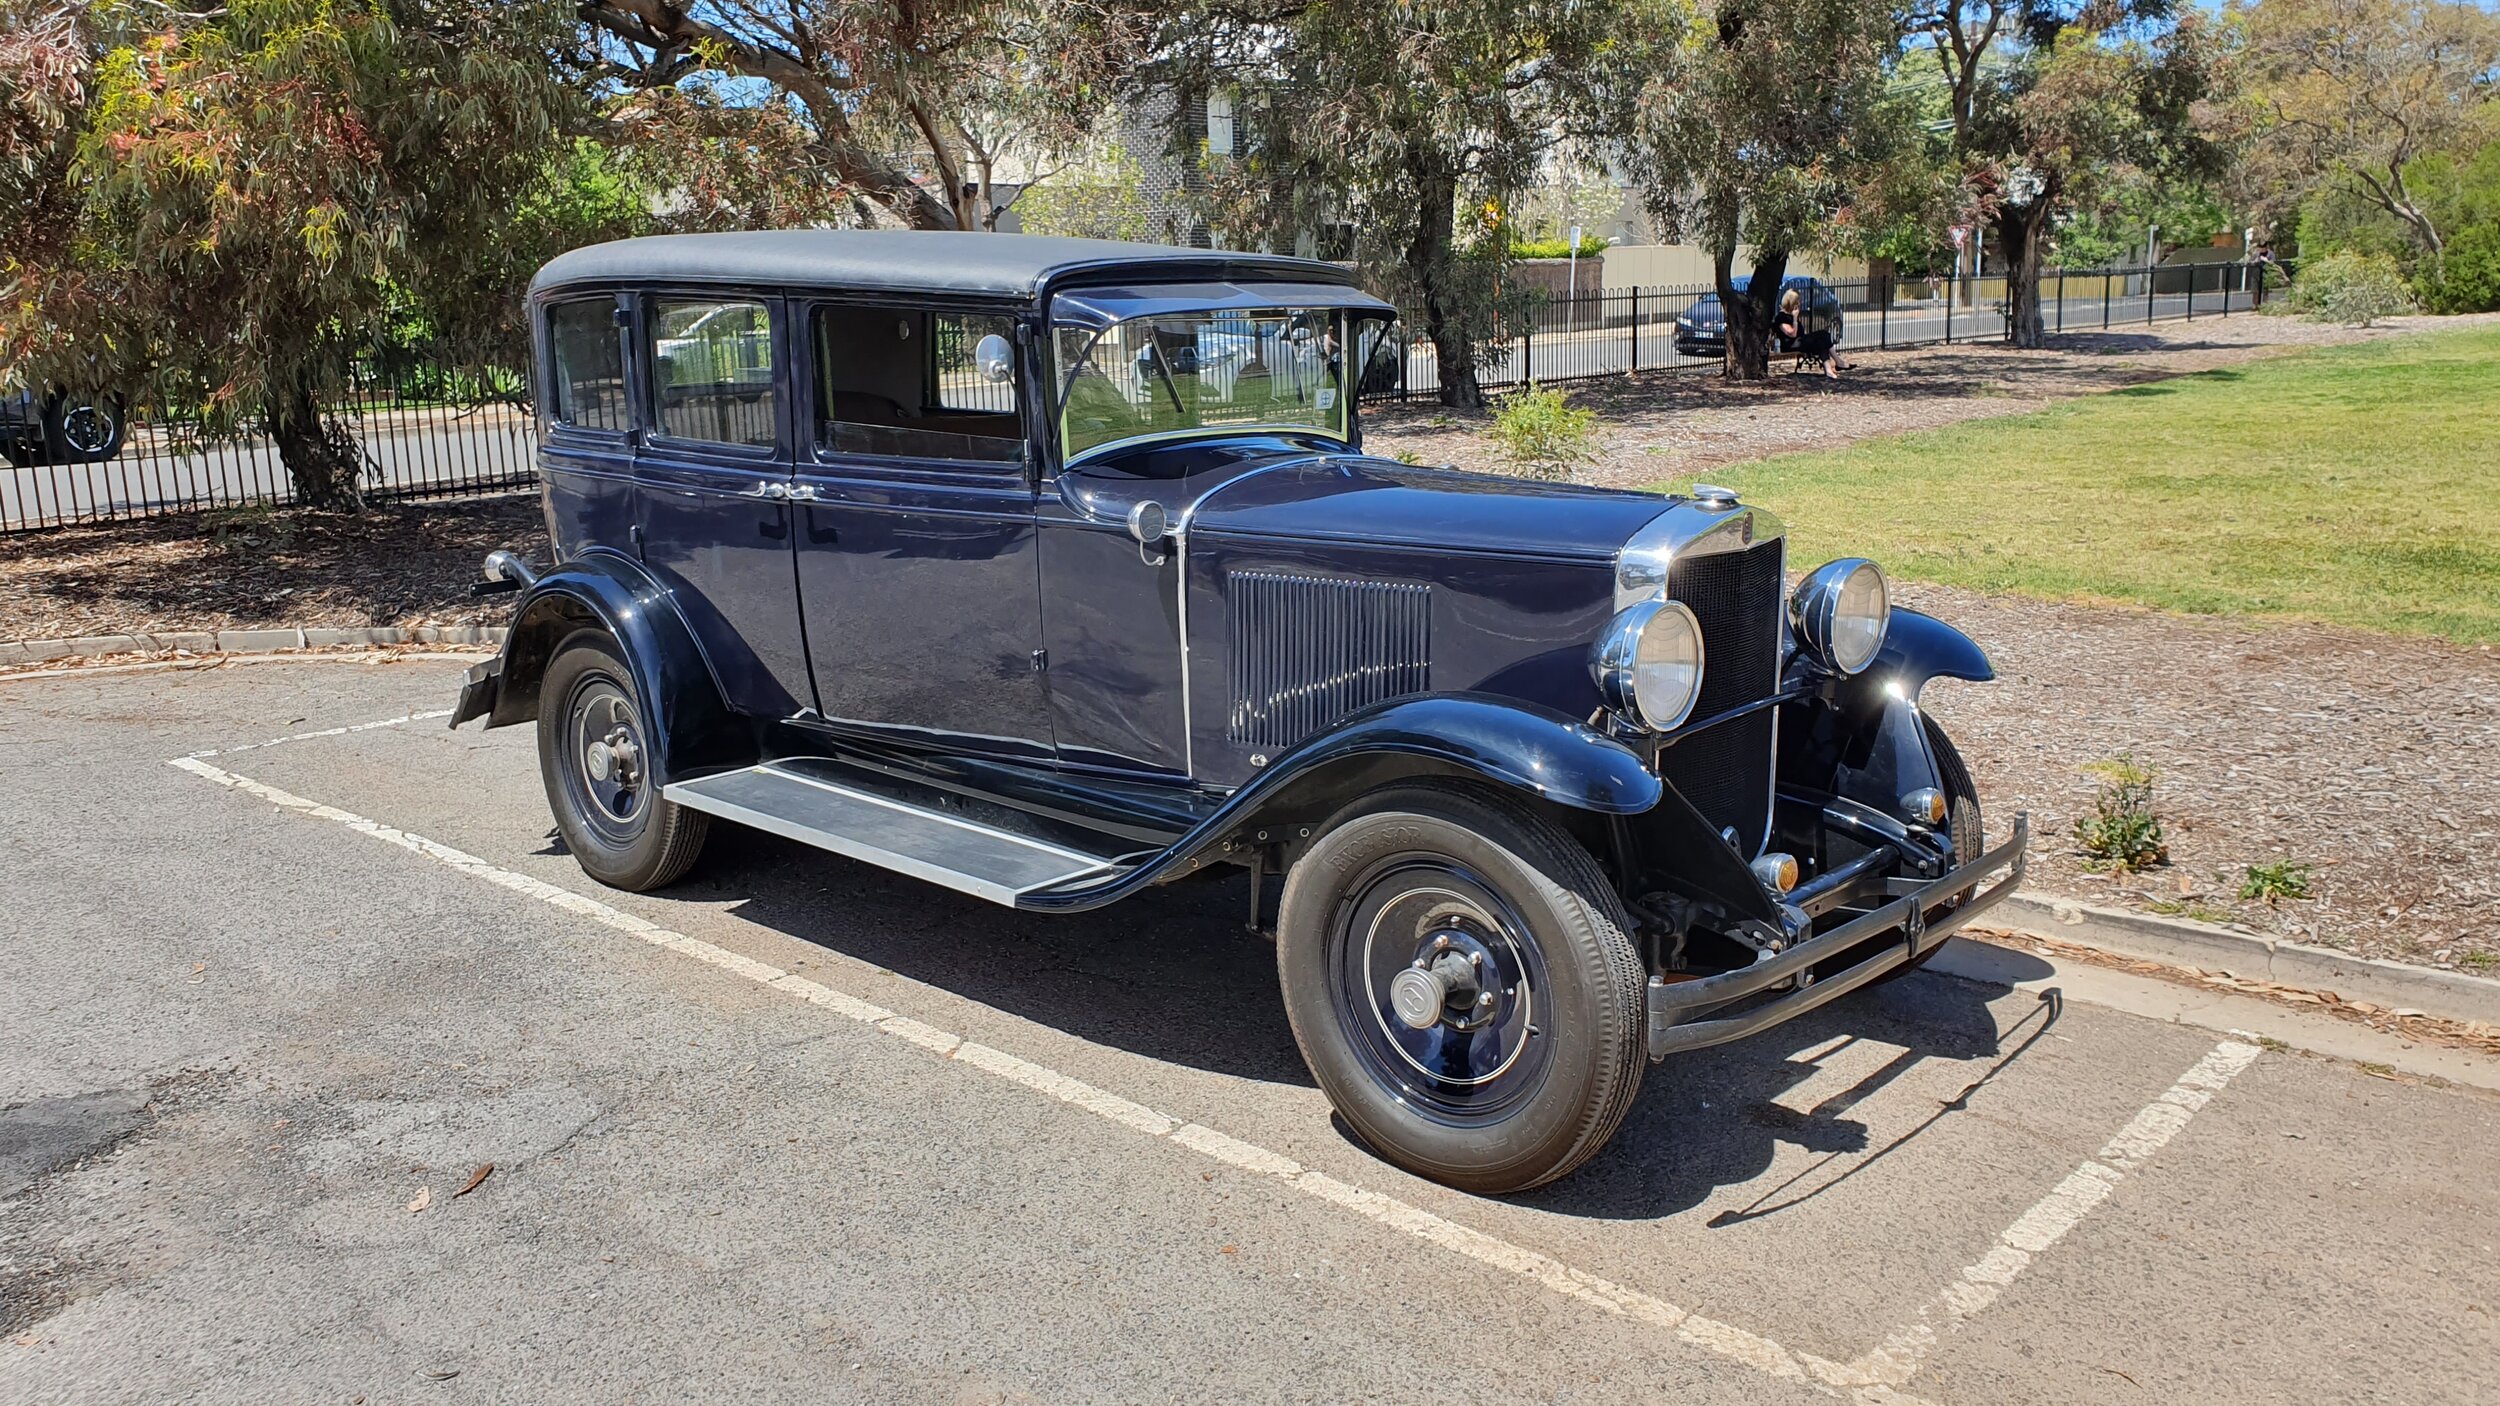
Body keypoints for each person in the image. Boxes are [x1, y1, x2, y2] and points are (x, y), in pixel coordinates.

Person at [1777, 288, 1849, 380]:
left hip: (1800, 341)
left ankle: (1829, 370)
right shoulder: (1781, 317)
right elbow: (1792, 334)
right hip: (1791, 344)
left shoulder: (1791, 314)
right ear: (1791, 302)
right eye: (1798, 301)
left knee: (1822, 339)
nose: (1800, 304)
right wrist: (1795, 319)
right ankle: (1838, 363)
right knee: (1823, 335)